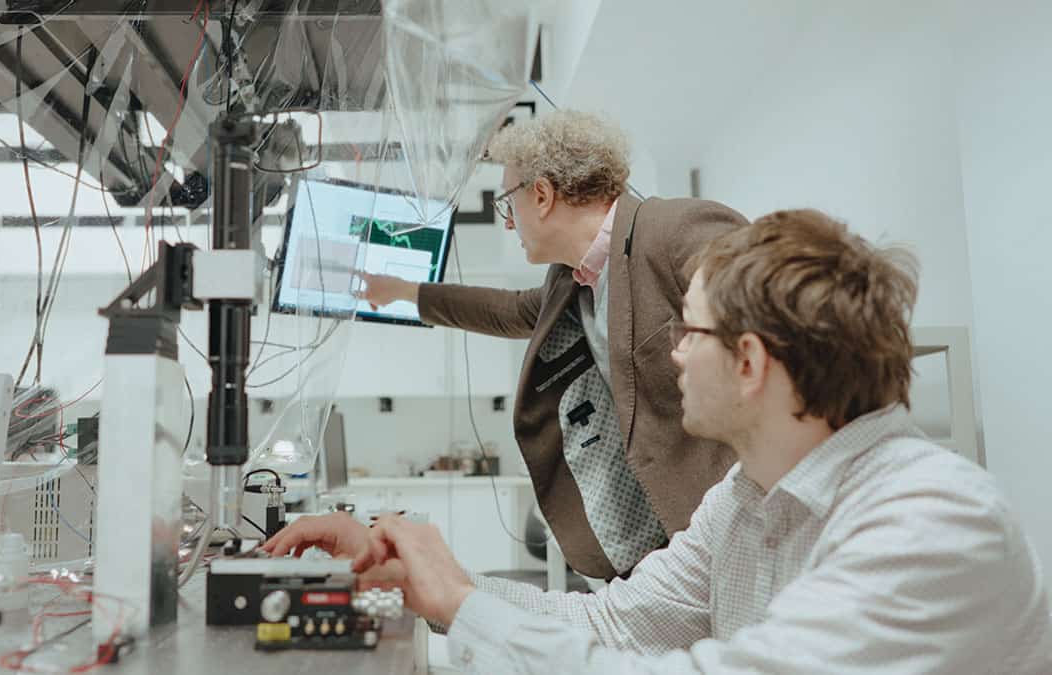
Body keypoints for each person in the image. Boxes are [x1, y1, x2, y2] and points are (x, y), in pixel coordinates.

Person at [268, 209, 1052, 673]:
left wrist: (465, 604)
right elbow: (612, 623)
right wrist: (424, 578)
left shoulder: (933, 521)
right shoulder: (744, 498)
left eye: (689, 331)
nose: (671, 350)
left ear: (749, 363)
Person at [356, 110, 747, 578]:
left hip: (736, 521)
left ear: (540, 195)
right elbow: (510, 310)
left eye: (507, 205)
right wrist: (403, 292)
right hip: (672, 545)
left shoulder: (673, 230)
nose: (507, 224)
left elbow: (774, 327)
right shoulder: (573, 280)